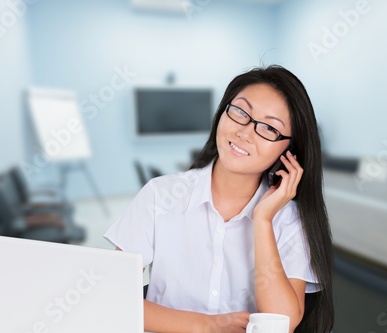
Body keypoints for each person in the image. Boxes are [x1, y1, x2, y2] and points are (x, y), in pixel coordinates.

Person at [104, 65, 334, 333]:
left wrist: (262, 220)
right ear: (222, 113)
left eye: (269, 128)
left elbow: (283, 321)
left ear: (289, 151)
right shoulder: (161, 195)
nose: (245, 132)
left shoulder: (290, 220)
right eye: (240, 112)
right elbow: (114, 295)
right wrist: (208, 325)